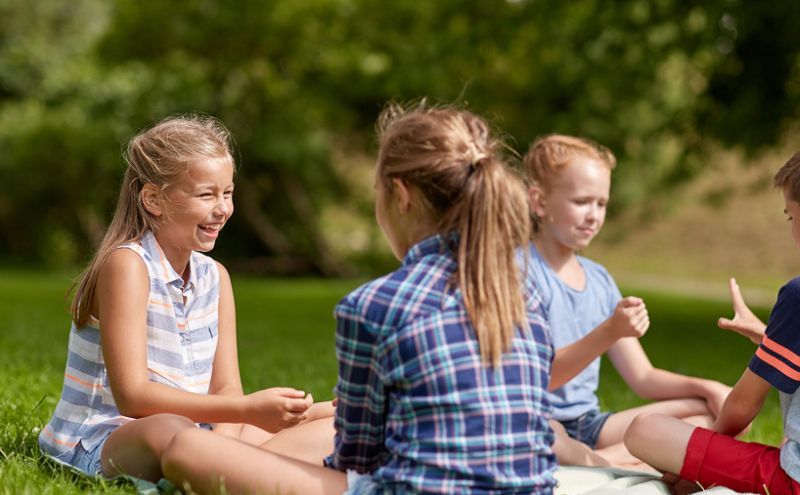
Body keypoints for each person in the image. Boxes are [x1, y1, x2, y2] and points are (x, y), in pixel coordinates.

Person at [161, 103, 558, 494]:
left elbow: (357, 456)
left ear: (400, 196)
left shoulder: (374, 305)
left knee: (189, 448)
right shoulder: (526, 296)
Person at [38, 115, 334, 482]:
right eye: (206, 194)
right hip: (107, 438)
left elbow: (226, 388)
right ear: (153, 199)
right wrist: (244, 411)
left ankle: (229, 465)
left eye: (227, 193)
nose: (223, 208)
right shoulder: (127, 266)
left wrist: (236, 422)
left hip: (199, 431)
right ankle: (247, 466)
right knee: (170, 430)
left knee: (339, 419)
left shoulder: (216, 277)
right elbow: (133, 396)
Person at [624, 125, 800, 494]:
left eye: (792, 217)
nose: (792, 230)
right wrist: (767, 338)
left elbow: (740, 409)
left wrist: (692, 462)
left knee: (646, 429)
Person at [523, 134, 731, 467]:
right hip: (537, 420)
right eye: (581, 202)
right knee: (545, 435)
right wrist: (610, 331)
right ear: (539, 202)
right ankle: (615, 461)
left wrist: (707, 387)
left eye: (601, 204)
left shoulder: (599, 279)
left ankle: (599, 461)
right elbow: (538, 377)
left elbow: (643, 377)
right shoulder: (521, 273)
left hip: (590, 425)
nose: (593, 215)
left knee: (708, 416)